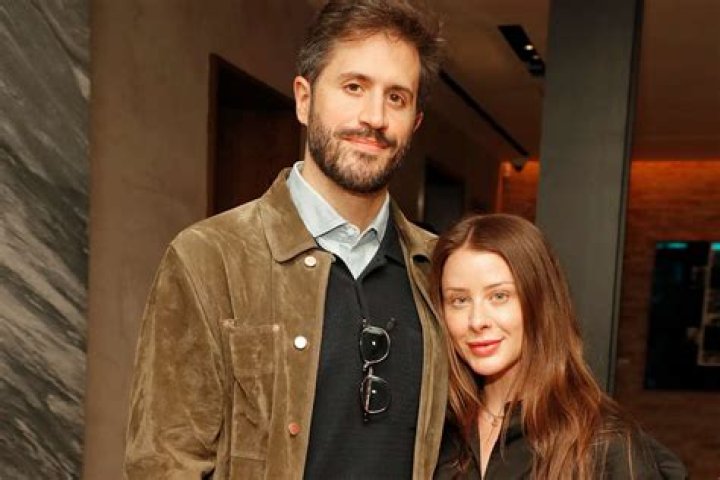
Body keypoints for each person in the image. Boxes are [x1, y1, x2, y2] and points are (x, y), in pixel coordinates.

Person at [123, 1, 447, 479]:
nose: (375, 117)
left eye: (396, 97)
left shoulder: (441, 271)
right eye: (354, 87)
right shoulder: (210, 258)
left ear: (415, 122)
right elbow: (164, 464)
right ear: (304, 98)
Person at [430, 214, 687, 479]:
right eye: (459, 300)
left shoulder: (603, 441)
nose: (477, 321)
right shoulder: (436, 432)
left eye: (499, 296)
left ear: (541, 301)